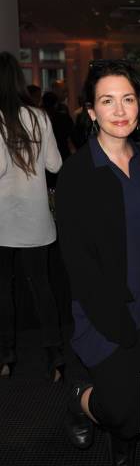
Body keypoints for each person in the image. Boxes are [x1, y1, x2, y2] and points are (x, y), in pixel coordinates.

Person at [55, 59, 140, 466]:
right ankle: (81, 398)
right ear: (90, 111)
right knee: (121, 407)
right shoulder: (79, 172)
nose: (120, 110)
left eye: (128, 98)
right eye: (107, 100)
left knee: (139, 409)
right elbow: (77, 261)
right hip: (104, 309)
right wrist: (116, 322)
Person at [0, 51, 63, 379]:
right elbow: (55, 165)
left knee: (3, 290)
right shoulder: (39, 117)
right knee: (42, 286)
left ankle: (6, 356)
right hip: (36, 219)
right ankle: (54, 357)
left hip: (2, 220)